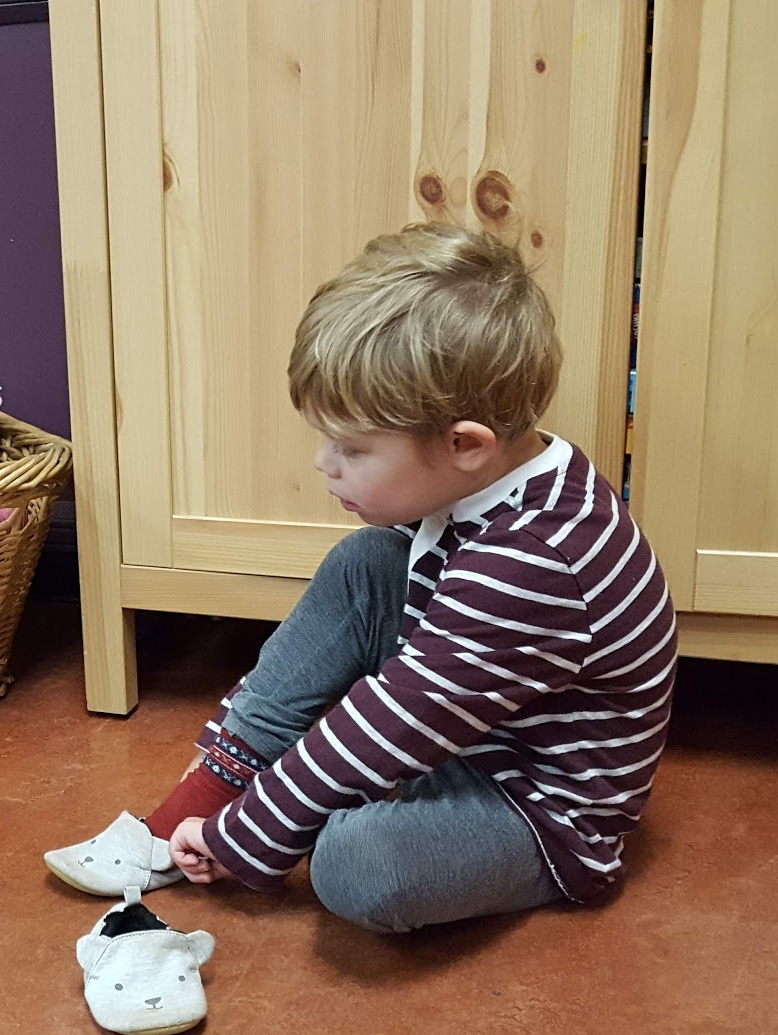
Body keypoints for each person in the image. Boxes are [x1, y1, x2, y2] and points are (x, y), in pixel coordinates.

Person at [46, 224, 677, 933]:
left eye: (352, 447)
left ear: (465, 445)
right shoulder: (513, 472)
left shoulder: (534, 561)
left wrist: (252, 834)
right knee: (366, 562)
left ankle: (285, 801)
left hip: (534, 806)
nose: (324, 464)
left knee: (353, 865)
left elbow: (392, 722)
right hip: (467, 720)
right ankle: (216, 785)